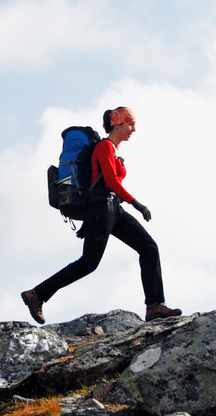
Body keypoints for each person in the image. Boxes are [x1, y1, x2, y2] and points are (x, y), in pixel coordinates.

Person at [21, 106, 182, 324]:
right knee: (89, 262)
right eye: (130, 124)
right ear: (117, 124)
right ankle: (37, 294)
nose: (133, 129)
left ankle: (154, 306)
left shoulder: (113, 150)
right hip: (102, 208)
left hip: (112, 208)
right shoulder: (104, 147)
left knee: (149, 247)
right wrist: (136, 203)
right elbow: (110, 181)